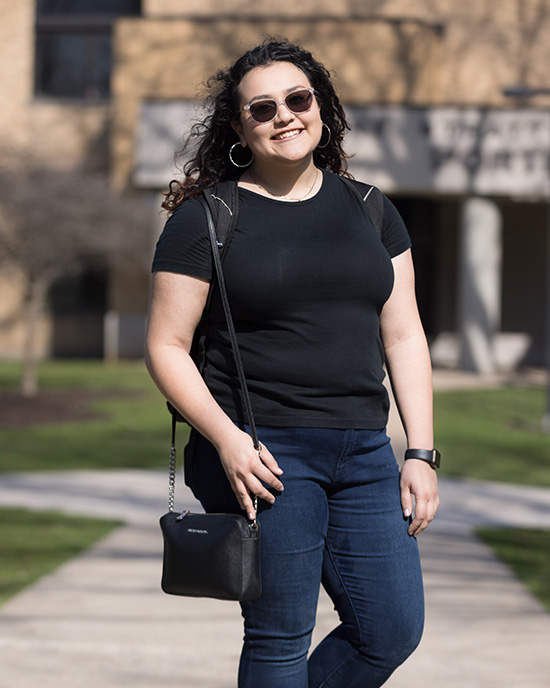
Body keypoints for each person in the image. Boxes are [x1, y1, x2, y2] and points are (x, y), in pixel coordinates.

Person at [145, 38, 439, 688]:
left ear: (322, 108)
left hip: (364, 452)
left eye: (298, 98)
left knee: (390, 629)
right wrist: (226, 439)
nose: (284, 115)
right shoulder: (207, 219)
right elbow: (165, 346)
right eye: (262, 107)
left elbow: (405, 336)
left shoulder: (371, 210)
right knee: (280, 637)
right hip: (267, 455)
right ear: (239, 127)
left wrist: (420, 452)